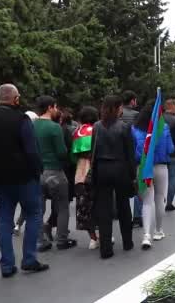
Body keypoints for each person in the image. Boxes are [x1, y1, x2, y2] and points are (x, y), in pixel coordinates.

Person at [0, 84, 48, 278]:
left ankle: (7, 264)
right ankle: (29, 259)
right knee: (34, 213)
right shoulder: (21, 119)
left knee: (4, 218)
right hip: (24, 177)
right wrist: (37, 171)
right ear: (15, 98)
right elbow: (31, 150)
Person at [91, 96, 135, 258]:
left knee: (104, 210)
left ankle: (106, 248)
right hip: (120, 168)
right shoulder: (124, 127)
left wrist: (93, 173)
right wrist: (132, 175)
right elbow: (130, 154)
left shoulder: (96, 126)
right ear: (117, 108)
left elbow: (93, 153)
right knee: (124, 206)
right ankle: (128, 242)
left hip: (102, 168)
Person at [32, 96, 76, 251]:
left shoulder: (32, 125)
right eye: (55, 107)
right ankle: (62, 239)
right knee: (62, 205)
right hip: (55, 171)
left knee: (38, 208)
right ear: (50, 107)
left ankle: (40, 240)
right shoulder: (54, 127)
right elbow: (61, 152)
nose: (57, 110)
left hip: (37, 172)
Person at [132, 103, 174, 249]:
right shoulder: (164, 128)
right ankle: (158, 230)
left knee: (147, 202)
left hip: (143, 168)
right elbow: (171, 148)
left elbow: (133, 151)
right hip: (161, 167)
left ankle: (146, 235)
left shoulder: (135, 129)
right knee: (160, 198)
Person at [72, 106, 100, 250]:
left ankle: (93, 238)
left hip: (80, 172)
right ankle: (104, 233)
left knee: (84, 206)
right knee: (100, 203)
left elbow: (73, 156)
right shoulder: (97, 130)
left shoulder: (77, 132)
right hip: (96, 169)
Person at [120, 91, 142, 228]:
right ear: (133, 101)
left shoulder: (119, 114)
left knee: (121, 187)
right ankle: (137, 217)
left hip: (118, 155)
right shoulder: (136, 115)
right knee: (136, 186)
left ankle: (121, 213)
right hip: (133, 155)